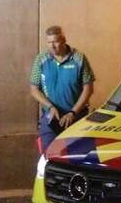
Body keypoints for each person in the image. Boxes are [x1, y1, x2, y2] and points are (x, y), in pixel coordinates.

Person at [29, 25, 95, 154]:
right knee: (48, 154)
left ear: (64, 40)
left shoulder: (79, 58)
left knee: (78, 156)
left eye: (55, 42)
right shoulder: (41, 59)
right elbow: (34, 89)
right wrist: (50, 107)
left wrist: (73, 112)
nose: (52, 46)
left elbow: (88, 89)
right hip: (51, 118)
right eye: (49, 42)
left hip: (75, 118)